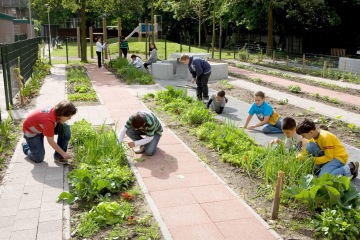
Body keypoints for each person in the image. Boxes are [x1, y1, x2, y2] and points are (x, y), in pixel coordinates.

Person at [22, 100, 77, 165]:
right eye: (68, 116)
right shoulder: (49, 121)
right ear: (61, 114)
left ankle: (59, 156)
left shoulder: (57, 110)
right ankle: (26, 146)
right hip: (31, 132)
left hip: (42, 126)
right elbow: (51, 141)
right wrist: (64, 153)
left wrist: (62, 153)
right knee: (38, 158)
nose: (70, 118)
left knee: (65, 130)